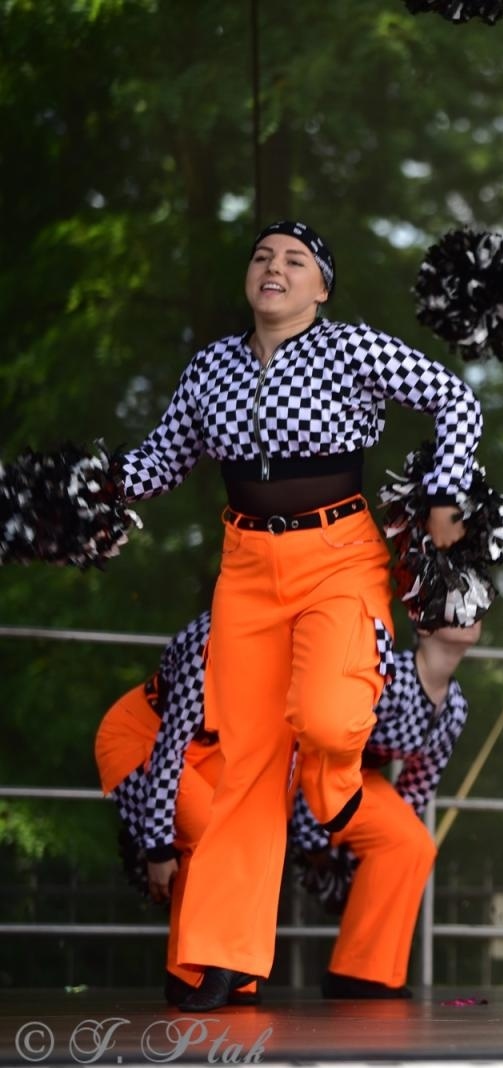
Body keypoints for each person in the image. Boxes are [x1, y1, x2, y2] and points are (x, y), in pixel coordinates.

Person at [115, 220, 483, 1010]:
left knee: (324, 716)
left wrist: (446, 494)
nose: (273, 268)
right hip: (245, 565)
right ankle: (217, 957)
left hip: (338, 556)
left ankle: (336, 784)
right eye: (261, 257)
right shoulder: (211, 367)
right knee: (247, 761)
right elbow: (157, 462)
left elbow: (454, 397)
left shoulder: (352, 348)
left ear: (321, 288)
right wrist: (93, 492)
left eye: (294, 261)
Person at [288, 623, 481, 998]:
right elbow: (324, 736)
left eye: (476, 609)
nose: (468, 615)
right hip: (312, 767)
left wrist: (384, 834)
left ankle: (368, 973)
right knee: (401, 840)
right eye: (453, 604)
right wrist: (314, 835)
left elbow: (419, 783)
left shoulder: (455, 706)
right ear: (424, 625)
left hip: (360, 780)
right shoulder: (388, 676)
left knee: (413, 845)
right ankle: (356, 971)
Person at [93, 612, 258, 1007]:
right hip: (141, 735)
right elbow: (168, 749)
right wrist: (158, 847)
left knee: (248, 825)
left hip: (208, 746)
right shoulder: (209, 646)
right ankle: (189, 972)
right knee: (206, 832)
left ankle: (232, 967)